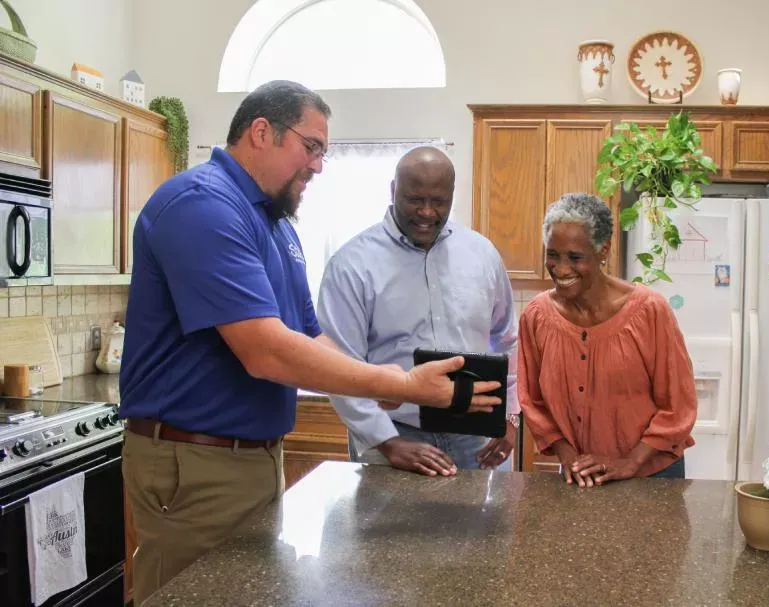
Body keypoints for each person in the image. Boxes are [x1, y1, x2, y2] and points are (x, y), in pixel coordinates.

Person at [119, 82, 501, 604]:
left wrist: (376, 384)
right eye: (313, 147)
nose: (319, 165)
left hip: (252, 458)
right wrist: (397, 382)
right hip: (194, 461)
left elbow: (311, 336)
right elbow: (265, 351)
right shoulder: (202, 205)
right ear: (261, 132)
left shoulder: (275, 225)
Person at [317, 147, 520, 477]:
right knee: (391, 531)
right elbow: (338, 365)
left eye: (438, 201)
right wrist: (386, 441)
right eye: (414, 199)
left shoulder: (481, 254)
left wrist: (509, 416)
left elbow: (507, 339)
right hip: (395, 434)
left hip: (476, 436)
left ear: (452, 196)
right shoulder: (352, 265)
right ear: (393, 190)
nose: (427, 212)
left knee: (484, 529)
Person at [517, 193, 697, 487]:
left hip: (652, 475)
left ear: (603, 251)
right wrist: (568, 456)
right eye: (553, 254)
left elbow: (678, 405)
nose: (561, 269)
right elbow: (533, 401)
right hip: (582, 476)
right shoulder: (536, 316)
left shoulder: (650, 311)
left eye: (575, 257)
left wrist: (630, 462)